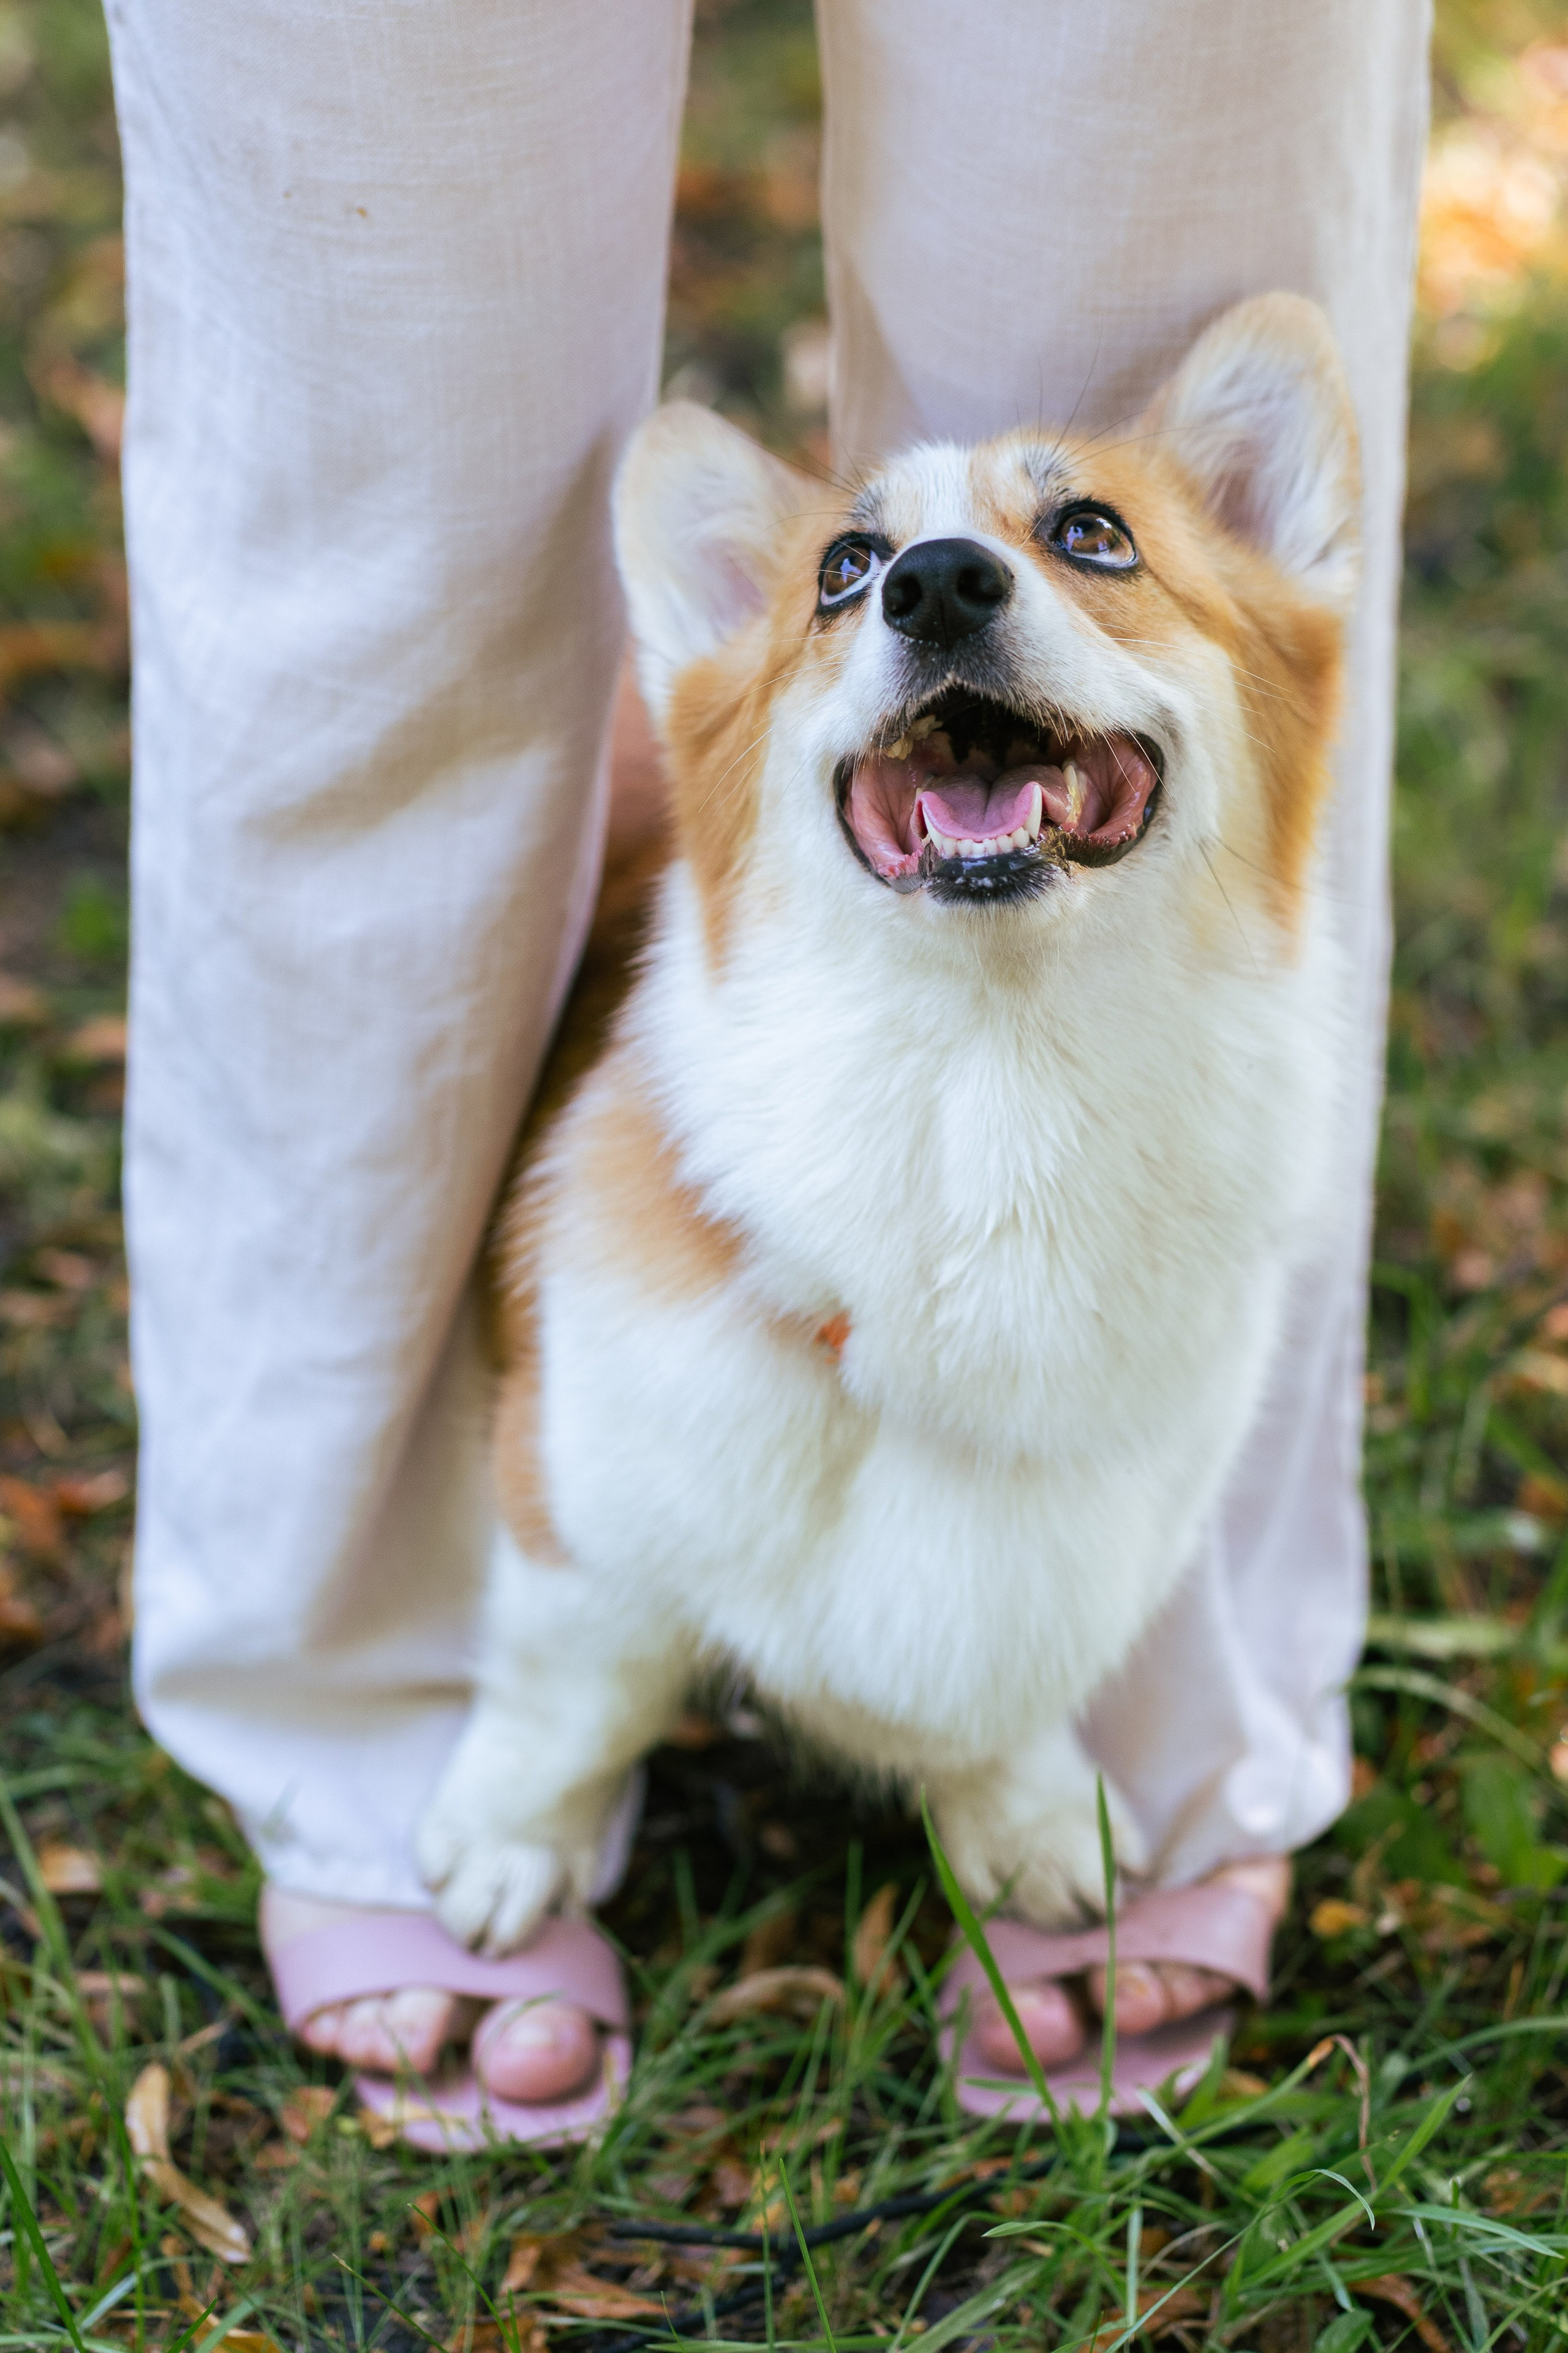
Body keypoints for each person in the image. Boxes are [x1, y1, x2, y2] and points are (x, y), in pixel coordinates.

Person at [107, 0, 1431, 2132]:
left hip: (1164, 1149)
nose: (939, 582)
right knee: (380, 455)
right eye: (853, 576)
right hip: (715, 1258)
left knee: (1146, 168)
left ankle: (1111, 1707)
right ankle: (427, 1708)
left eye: (1093, 541)